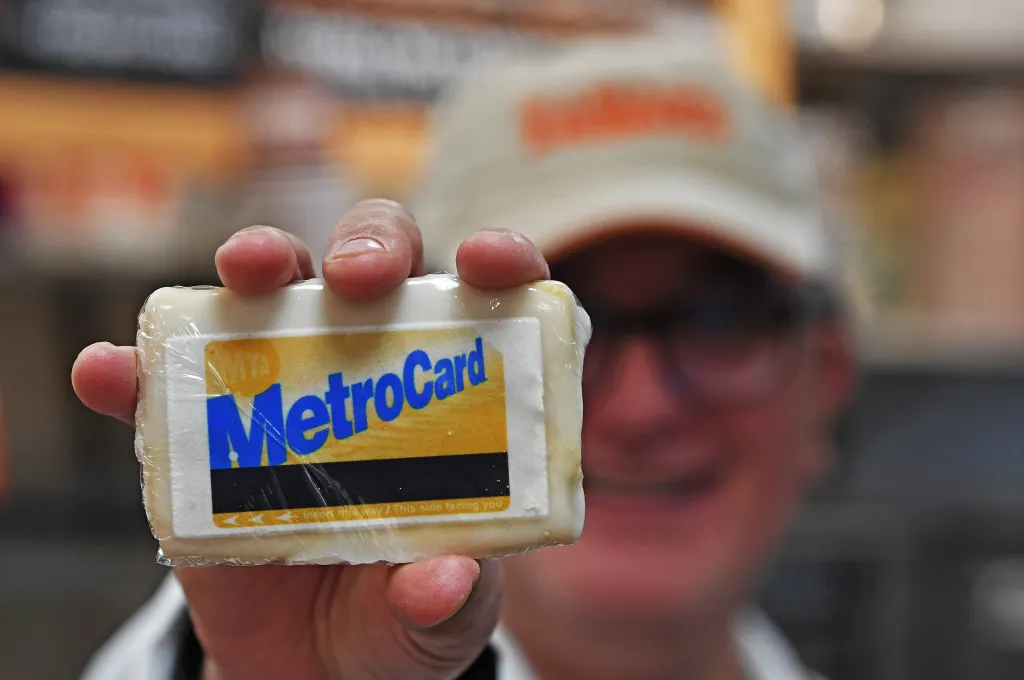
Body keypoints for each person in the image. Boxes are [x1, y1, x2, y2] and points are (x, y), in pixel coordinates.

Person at [73, 34, 855, 680]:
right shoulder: (205, 655)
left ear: (824, 379)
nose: (643, 407)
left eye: (721, 321)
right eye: (560, 336)